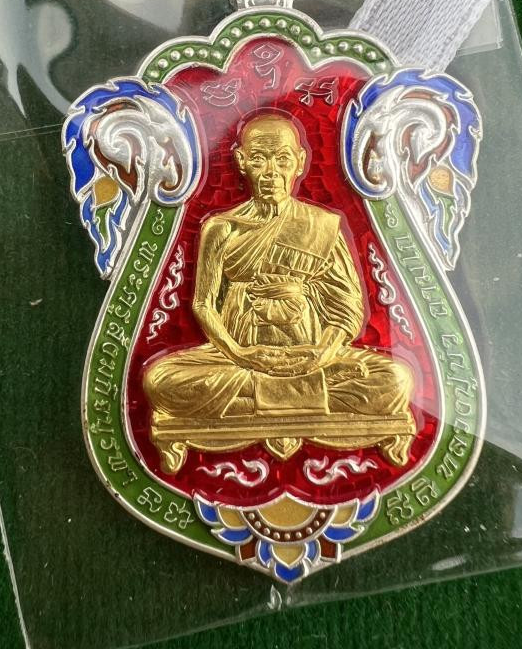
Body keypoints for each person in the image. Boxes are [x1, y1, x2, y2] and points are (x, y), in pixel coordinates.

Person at [143, 114, 415, 471]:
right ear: (242, 162)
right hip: (238, 357)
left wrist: (321, 355)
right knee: (160, 380)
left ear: (299, 162)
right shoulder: (221, 228)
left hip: (313, 354)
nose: (271, 172)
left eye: (282, 159)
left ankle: (258, 399)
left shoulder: (321, 226)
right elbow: (204, 304)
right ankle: (303, 397)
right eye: (259, 159)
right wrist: (240, 353)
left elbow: (347, 308)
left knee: (396, 380)